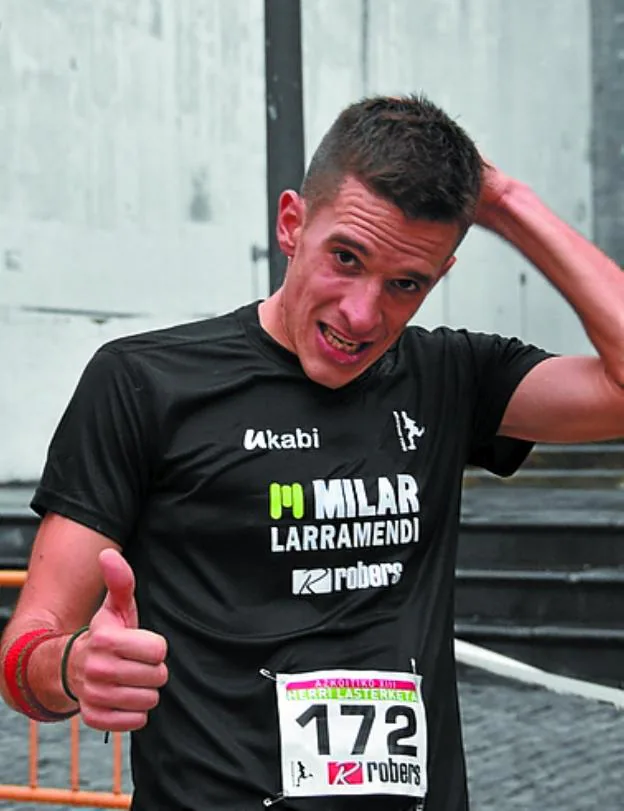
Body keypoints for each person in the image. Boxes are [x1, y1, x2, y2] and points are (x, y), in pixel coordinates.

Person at [1, 94, 623, 811]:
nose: (362, 314)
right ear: (292, 224)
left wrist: (509, 203)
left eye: (406, 284)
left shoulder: (450, 377)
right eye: (345, 258)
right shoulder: (145, 381)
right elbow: (24, 655)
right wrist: (74, 668)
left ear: (440, 273)